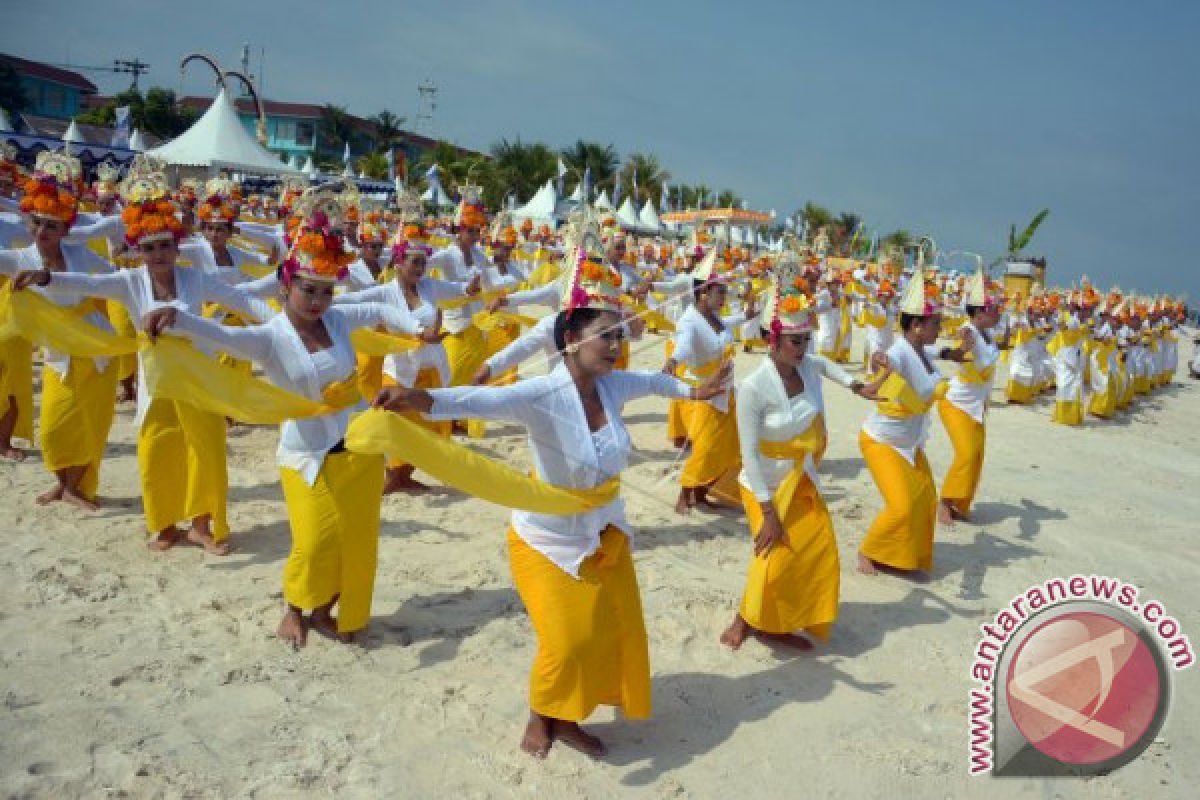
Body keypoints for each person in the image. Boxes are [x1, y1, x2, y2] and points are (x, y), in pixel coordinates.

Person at [374, 247, 731, 759]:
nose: (616, 345)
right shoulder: (542, 393)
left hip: (605, 532)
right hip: (545, 539)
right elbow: (477, 401)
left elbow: (657, 381)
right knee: (565, 641)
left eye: (619, 335)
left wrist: (696, 393)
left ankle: (567, 716)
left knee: (605, 631)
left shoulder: (614, 386)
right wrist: (413, 398)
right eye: (605, 335)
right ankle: (544, 712)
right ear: (570, 340)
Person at [140, 209, 439, 647]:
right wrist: (176, 317)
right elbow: (223, 337)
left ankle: (324, 612)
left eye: (325, 292)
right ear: (286, 286)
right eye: (307, 290)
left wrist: (415, 326)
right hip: (306, 455)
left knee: (353, 540)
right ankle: (294, 608)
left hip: (358, 448)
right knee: (315, 540)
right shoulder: (271, 337)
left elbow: (377, 305)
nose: (317, 301)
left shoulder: (337, 320)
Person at [15, 169, 274, 554]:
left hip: (199, 377)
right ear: (138, 249)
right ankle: (166, 525)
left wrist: (284, 325)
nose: (158, 256)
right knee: (158, 448)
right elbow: (87, 284)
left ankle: (202, 525)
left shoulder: (197, 280)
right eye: (149, 248)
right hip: (156, 382)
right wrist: (46, 278)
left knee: (204, 448)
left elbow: (244, 300)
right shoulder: (130, 281)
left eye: (165, 246)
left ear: (177, 246)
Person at [722, 261, 876, 651]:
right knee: (771, 552)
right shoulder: (754, 388)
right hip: (764, 485)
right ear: (772, 341)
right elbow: (750, 457)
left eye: (806, 338)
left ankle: (779, 620)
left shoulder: (808, 366)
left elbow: (826, 365)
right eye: (795, 341)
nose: (803, 347)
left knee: (815, 547)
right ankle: (744, 619)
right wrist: (769, 512)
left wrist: (857, 385)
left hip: (801, 477)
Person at [0, 151, 118, 501]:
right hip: (58, 353)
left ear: (66, 229)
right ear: (29, 224)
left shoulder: (82, 256)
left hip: (96, 348)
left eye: (53, 225)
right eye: (38, 223)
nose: (44, 231)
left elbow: (116, 280)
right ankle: (63, 481)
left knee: (90, 425)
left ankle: (73, 488)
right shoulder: (20, 259)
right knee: (52, 426)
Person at [335, 229, 476, 494]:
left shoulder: (430, 287)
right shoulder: (386, 293)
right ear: (398, 263)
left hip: (432, 365)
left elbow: (458, 289)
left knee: (430, 425)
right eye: (415, 262)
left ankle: (403, 475)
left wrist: (471, 286)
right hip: (400, 369)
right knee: (395, 421)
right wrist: (325, 299)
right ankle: (388, 473)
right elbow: (353, 301)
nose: (421, 268)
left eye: (423, 262)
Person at [858, 271, 971, 577]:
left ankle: (902, 555)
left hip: (910, 440)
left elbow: (945, 351)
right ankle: (869, 551)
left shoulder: (922, 350)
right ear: (917, 325)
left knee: (924, 500)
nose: (940, 328)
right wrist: (879, 368)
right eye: (936, 324)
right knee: (901, 506)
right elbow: (878, 375)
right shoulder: (898, 353)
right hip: (882, 440)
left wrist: (960, 349)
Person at [663, 247, 750, 513]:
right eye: (720, 292)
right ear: (703, 293)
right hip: (706, 394)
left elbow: (730, 323)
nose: (724, 297)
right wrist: (674, 361)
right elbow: (685, 346)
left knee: (729, 447)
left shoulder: (714, 317)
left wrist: (749, 314)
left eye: (725, 292)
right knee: (706, 448)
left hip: (727, 394)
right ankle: (684, 495)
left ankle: (702, 493)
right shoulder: (690, 321)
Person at [936, 269, 1002, 524]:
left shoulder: (987, 334)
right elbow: (962, 344)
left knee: (976, 454)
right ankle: (945, 501)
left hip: (976, 404)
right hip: (956, 402)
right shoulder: (969, 331)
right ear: (980, 313)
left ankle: (960, 503)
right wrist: (961, 343)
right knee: (965, 453)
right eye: (993, 310)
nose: (997, 315)